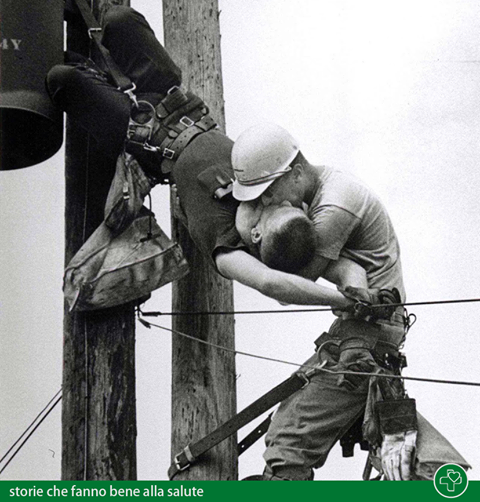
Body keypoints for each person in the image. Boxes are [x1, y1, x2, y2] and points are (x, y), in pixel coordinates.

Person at [47, 5, 364, 311]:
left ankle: (53, 49)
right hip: (173, 98)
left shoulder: (227, 244)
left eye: (271, 210)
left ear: (256, 235)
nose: (272, 200)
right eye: (283, 203)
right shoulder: (272, 208)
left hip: (142, 135)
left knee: (62, 78)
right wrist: (361, 295)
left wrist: (340, 302)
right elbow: (346, 269)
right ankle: (84, 29)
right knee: (118, 19)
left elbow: (272, 284)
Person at [231, 123, 418, 481]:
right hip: (359, 330)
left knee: (288, 447)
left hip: (367, 335)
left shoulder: (333, 208)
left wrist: (239, 239)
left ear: (296, 173)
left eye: (267, 192)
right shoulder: (315, 192)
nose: (265, 203)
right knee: (287, 423)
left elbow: (290, 287)